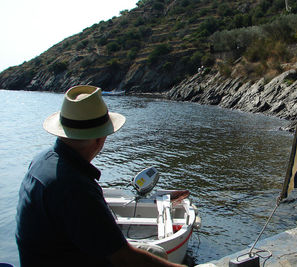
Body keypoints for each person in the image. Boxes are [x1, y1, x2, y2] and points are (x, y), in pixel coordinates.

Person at [16, 85, 184, 267]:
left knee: (156, 252)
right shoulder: (75, 187)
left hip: (47, 256)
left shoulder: (42, 160)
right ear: (100, 139)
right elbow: (123, 258)